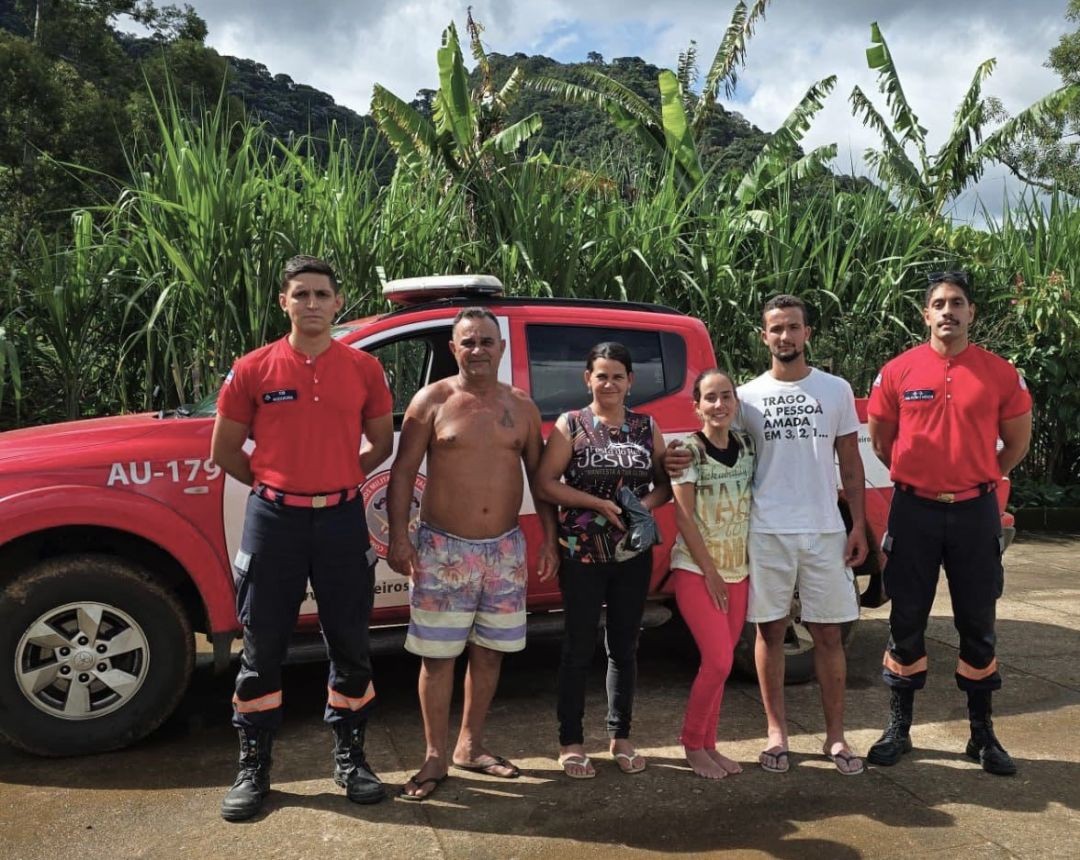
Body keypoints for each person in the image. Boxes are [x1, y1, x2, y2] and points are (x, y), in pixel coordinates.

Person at [211, 255, 394, 821]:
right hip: (274, 522)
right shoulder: (253, 369)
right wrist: (275, 485)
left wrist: (336, 477)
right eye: (301, 294)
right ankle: (255, 767)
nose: (312, 303)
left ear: (339, 303)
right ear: (283, 303)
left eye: (322, 294)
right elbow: (225, 453)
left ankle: (352, 758)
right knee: (263, 647)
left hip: (342, 519)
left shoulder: (363, 370)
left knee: (350, 643)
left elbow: (380, 445)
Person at [668, 294, 868, 776]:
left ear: (807, 333)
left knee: (828, 634)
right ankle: (776, 734)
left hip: (823, 530)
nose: (785, 336)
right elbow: (713, 440)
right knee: (770, 632)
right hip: (765, 531)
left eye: (793, 327)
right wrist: (672, 458)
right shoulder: (747, 395)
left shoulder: (835, 390)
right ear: (765, 336)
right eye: (776, 329)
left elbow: (852, 461)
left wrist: (858, 523)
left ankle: (836, 738)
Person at [387, 307, 557, 801]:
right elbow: (403, 473)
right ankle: (434, 756)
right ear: (453, 348)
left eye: (487, 341)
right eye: (468, 342)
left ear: (501, 348)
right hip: (443, 549)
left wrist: (548, 537)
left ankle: (470, 745)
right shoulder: (432, 401)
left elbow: (539, 478)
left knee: (489, 655)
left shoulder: (522, 407)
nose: (477, 350)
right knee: (437, 660)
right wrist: (400, 536)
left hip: (504, 550)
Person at [866, 270, 1032, 776]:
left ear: (970, 313)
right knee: (906, 620)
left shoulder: (1001, 373)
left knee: (978, 622)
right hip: (913, 510)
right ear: (926, 314)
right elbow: (881, 441)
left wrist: (978, 478)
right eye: (938, 303)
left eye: (957, 303)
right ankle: (899, 728)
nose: (947, 311)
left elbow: (1016, 444)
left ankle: (981, 735)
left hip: (975, 512)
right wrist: (924, 478)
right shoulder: (896, 372)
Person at [535, 342, 671, 779]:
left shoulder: (646, 426)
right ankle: (571, 741)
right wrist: (595, 503)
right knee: (578, 647)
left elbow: (666, 485)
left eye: (617, 375)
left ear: (630, 381)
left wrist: (639, 507)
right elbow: (545, 483)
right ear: (587, 379)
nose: (608, 383)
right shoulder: (570, 424)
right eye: (601, 375)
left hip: (632, 553)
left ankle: (621, 735)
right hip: (583, 553)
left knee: (625, 647)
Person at [669, 369, 755, 779]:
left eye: (726, 397)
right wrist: (711, 573)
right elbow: (683, 517)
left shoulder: (746, 445)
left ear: (735, 402)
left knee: (720, 663)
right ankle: (691, 744)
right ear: (696, 406)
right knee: (719, 661)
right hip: (697, 570)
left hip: (739, 569)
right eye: (710, 398)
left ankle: (710, 742)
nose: (719, 405)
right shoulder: (689, 451)